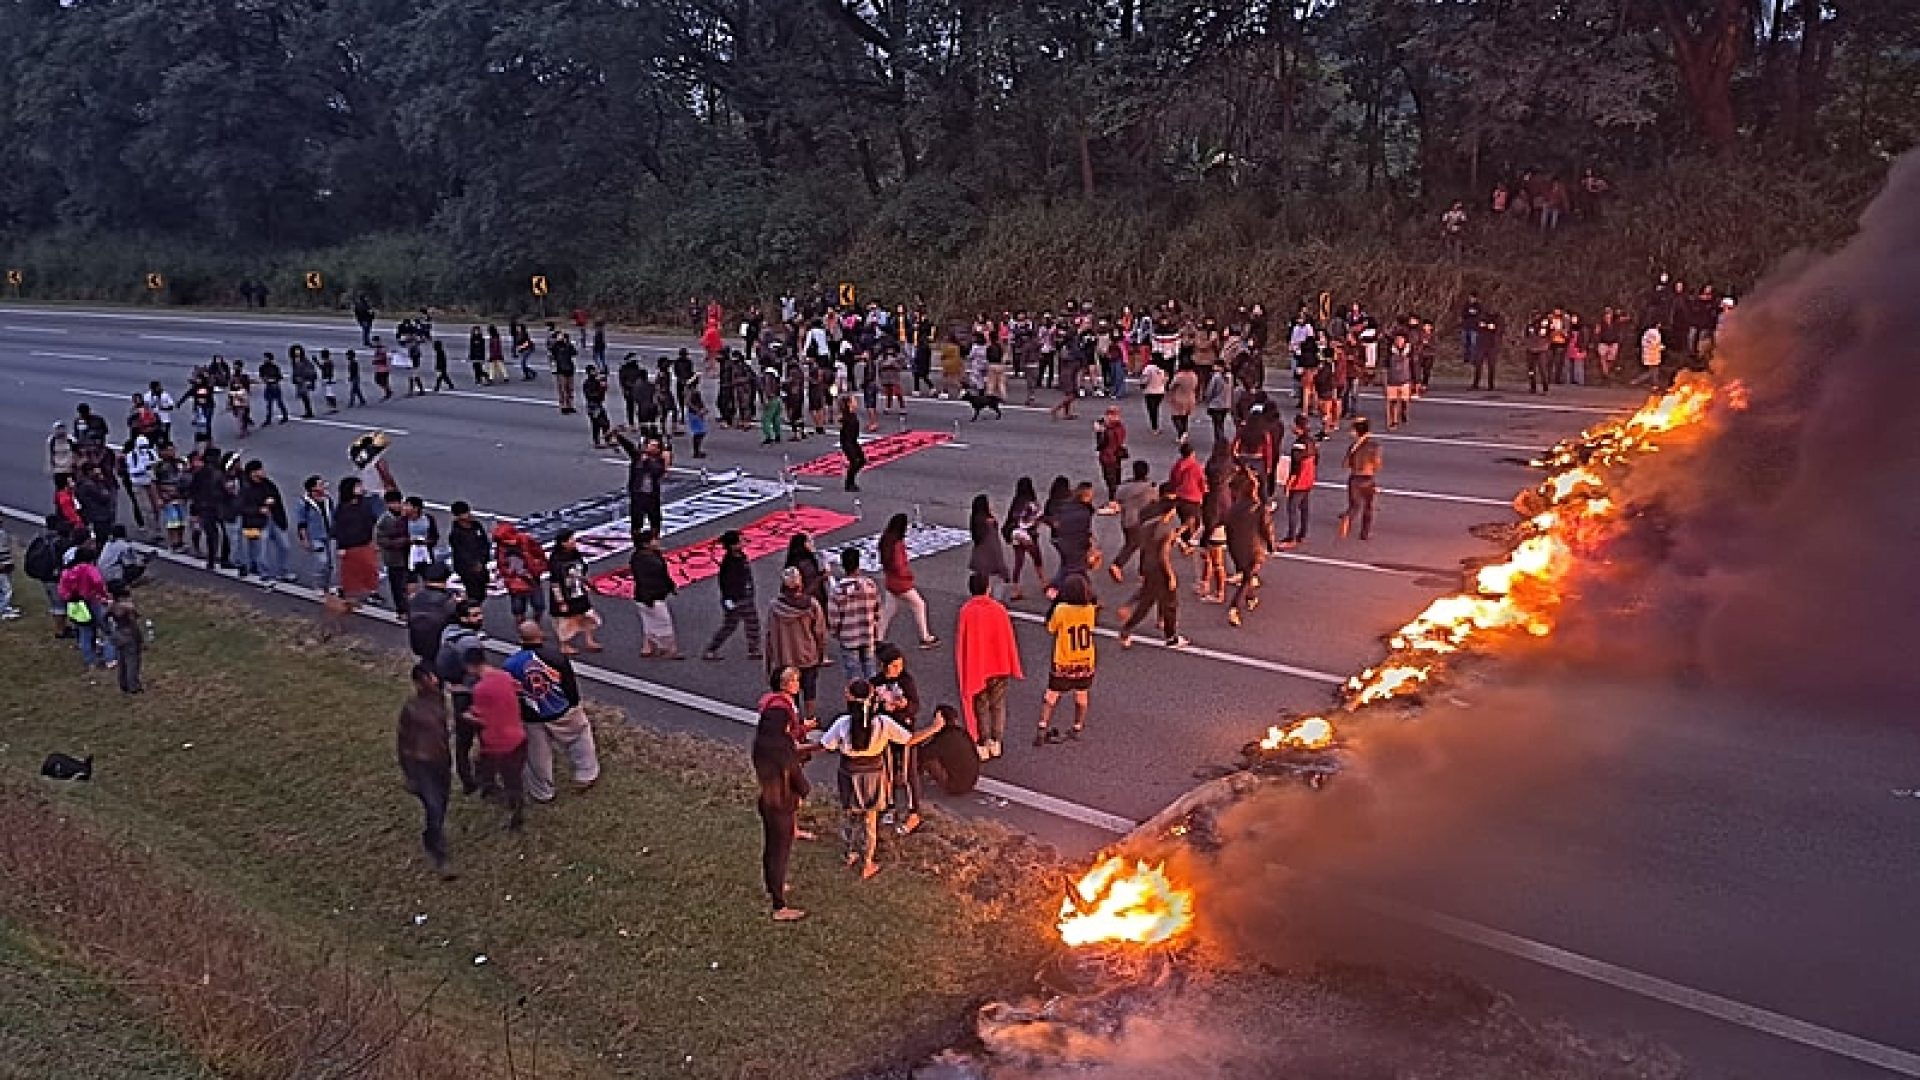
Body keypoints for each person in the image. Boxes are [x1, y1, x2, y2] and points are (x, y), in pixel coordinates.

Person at [815, 680, 941, 880]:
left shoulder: (842, 723)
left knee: (850, 816)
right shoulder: (882, 723)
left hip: (849, 775)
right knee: (870, 822)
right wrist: (934, 728)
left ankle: (850, 853)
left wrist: (800, 749)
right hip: (873, 776)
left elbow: (824, 745)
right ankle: (868, 863)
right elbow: (909, 739)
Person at [506, 621, 602, 803]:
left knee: (537, 755)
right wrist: (574, 703)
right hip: (561, 710)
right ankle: (586, 774)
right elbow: (569, 685)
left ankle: (542, 792)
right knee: (580, 738)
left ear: (520, 639)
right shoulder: (556, 657)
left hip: (532, 715)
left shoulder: (510, 664)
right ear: (539, 635)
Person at [752, 671, 811, 921]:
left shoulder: (761, 746)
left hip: (767, 802)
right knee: (781, 853)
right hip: (783, 805)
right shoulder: (784, 749)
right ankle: (779, 906)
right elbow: (799, 781)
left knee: (770, 848)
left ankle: (773, 886)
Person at [954, 572, 1022, 760]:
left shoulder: (967, 611)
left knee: (981, 705)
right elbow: (1007, 637)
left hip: (978, 668)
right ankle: (996, 740)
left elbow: (963, 642)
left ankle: (983, 742)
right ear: (988, 588)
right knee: (998, 704)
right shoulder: (998, 609)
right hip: (1000, 664)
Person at [397, 664, 457, 876]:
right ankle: (439, 854)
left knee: (442, 803)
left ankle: (431, 836)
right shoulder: (412, 709)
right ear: (420, 682)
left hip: (441, 761)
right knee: (434, 807)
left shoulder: (439, 701)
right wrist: (409, 773)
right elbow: (403, 742)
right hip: (421, 764)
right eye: (429, 678)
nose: (434, 680)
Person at [464, 649, 527, 832]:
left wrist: (466, 715)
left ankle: (514, 814)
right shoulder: (504, 676)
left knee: (502, 776)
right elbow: (518, 689)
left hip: (498, 742)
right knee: (513, 777)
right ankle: (506, 799)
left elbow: (480, 717)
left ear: (469, 667)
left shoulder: (480, 689)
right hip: (517, 735)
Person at [1116, 495, 1187, 649]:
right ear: (1172, 511)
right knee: (1169, 603)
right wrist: (1170, 575)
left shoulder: (1149, 525)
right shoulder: (1166, 529)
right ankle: (1171, 637)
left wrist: (1175, 535)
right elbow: (1163, 554)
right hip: (1159, 569)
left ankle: (1127, 621)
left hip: (1147, 565)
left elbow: (1147, 543)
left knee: (1147, 598)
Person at [1036, 573, 1097, 744]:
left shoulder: (1062, 610)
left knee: (1051, 695)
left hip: (1064, 660)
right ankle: (1077, 726)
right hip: (1085, 660)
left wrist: (1055, 603)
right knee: (1081, 695)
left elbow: (1051, 627)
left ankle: (1042, 727)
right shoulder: (1090, 609)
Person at [766, 567, 829, 725]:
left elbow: (769, 634)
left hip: (785, 658)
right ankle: (810, 718)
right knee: (809, 689)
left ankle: (793, 719)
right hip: (807, 656)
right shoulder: (811, 605)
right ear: (800, 585)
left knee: (788, 691)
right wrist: (821, 653)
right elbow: (820, 632)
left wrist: (769, 660)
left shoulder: (775, 607)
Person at [877, 513, 938, 649]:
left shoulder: (886, 541)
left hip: (890, 581)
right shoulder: (897, 545)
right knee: (919, 605)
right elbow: (899, 566)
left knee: (888, 610)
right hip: (901, 583)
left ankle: (878, 637)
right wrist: (908, 575)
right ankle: (925, 637)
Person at [1223, 470, 1273, 627]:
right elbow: (1265, 529)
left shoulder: (1234, 509)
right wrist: (1271, 545)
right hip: (1253, 547)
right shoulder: (1258, 508)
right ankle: (1234, 607)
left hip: (1235, 547)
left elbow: (1227, 526)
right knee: (1247, 577)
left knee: (1246, 574)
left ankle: (1250, 598)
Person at [702, 530, 761, 660]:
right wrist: (728, 599)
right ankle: (711, 649)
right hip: (737, 599)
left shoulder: (741, 556)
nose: (743, 543)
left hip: (746, 596)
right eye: (740, 541)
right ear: (732, 546)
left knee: (753, 624)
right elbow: (725, 583)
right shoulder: (729, 563)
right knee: (730, 625)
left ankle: (754, 649)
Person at [826, 544, 880, 682]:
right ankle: (874, 698)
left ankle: (856, 700)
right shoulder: (870, 585)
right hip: (867, 634)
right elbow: (877, 611)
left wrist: (836, 633)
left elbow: (834, 619)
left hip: (848, 637)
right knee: (870, 669)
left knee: (852, 673)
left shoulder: (837, 591)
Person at [546, 530, 603, 654]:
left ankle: (589, 639)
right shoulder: (556, 560)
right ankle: (564, 645)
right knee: (565, 621)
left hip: (578, 590)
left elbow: (581, 571)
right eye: (570, 539)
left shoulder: (575, 554)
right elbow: (555, 583)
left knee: (587, 614)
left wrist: (588, 583)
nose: (574, 541)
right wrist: (561, 601)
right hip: (565, 594)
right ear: (563, 543)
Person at [58, 545, 112, 671]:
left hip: (76, 605)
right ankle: (110, 658)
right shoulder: (89, 569)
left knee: (84, 632)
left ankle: (90, 661)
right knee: (107, 630)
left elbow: (62, 591)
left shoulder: (67, 572)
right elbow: (98, 582)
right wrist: (104, 596)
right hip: (93, 601)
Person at [609, 428, 669, 540]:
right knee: (636, 519)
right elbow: (629, 447)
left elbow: (657, 472)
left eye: (655, 446)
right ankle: (636, 539)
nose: (651, 447)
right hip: (638, 494)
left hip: (651, 495)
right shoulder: (638, 456)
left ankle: (655, 538)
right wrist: (618, 436)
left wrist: (647, 462)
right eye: (650, 445)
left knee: (655, 518)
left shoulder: (659, 461)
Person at [628, 529, 679, 658]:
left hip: (649, 595)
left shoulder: (652, 555)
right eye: (654, 539)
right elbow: (643, 580)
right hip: (649, 596)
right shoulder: (642, 560)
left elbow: (663, 574)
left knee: (649, 622)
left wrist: (671, 585)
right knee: (663, 622)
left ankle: (648, 647)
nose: (657, 541)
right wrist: (649, 597)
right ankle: (668, 649)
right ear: (646, 544)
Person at [333, 476, 383, 604]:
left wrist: (374, 540)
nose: (361, 488)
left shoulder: (364, 504)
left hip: (365, 542)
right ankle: (347, 591)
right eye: (357, 486)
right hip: (350, 545)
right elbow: (340, 529)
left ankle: (373, 592)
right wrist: (341, 547)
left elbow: (372, 522)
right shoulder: (343, 508)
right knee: (350, 571)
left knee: (371, 568)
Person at [1106, 461, 1156, 583]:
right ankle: (1120, 564)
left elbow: (1117, 499)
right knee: (1140, 545)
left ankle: (1140, 570)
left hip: (1127, 519)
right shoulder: (1149, 488)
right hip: (1142, 520)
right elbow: (1154, 501)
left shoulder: (1124, 487)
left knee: (1132, 542)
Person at [492, 520, 548, 624]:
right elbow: (501, 564)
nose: (507, 543)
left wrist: (537, 569)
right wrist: (508, 575)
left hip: (531, 578)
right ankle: (523, 629)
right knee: (518, 608)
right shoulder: (501, 548)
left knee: (539, 605)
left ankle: (536, 625)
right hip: (514, 581)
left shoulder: (526, 540)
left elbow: (539, 555)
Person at [1337, 416, 1382, 541]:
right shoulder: (1374, 446)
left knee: (1354, 506)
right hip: (1368, 478)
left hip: (1355, 478)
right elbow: (1377, 464)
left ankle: (1347, 518)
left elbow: (1345, 464)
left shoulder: (1353, 447)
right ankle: (1364, 533)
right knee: (1368, 507)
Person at [1003, 476, 1045, 601]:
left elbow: (1011, 520)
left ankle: (1016, 589)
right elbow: (1038, 518)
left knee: (1018, 562)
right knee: (1037, 559)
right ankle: (1044, 582)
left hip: (1017, 537)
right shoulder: (1032, 503)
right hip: (1030, 536)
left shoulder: (1016, 502)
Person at [1279, 414, 1318, 547]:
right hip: (1308, 478)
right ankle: (1302, 533)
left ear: (1298, 427)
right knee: (1304, 507)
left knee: (1292, 508)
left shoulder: (1298, 445)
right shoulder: (1311, 441)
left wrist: (1289, 484)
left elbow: (1296, 467)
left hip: (1299, 481)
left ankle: (1291, 538)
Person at [104, 582, 144, 694]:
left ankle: (123, 683)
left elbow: (105, 618)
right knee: (132, 661)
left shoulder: (111, 606)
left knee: (122, 660)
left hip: (117, 634)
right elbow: (134, 619)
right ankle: (134, 686)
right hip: (129, 634)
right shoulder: (127, 607)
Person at [447, 501, 490, 602]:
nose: (468, 515)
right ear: (457, 516)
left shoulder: (477, 526)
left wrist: (482, 560)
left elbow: (484, 543)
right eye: (464, 513)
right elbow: (461, 553)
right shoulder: (455, 534)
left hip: (481, 564)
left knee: (482, 591)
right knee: (473, 592)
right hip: (466, 569)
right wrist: (473, 564)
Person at [838, 396, 866, 492]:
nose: (856, 402)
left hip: (853, 441)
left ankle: (851, 481)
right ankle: (849, 483)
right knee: (854, 462)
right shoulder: (846, 416)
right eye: (854, 401)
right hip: (847, 442)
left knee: (862, 460)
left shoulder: (852, 414)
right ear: (849, 404)